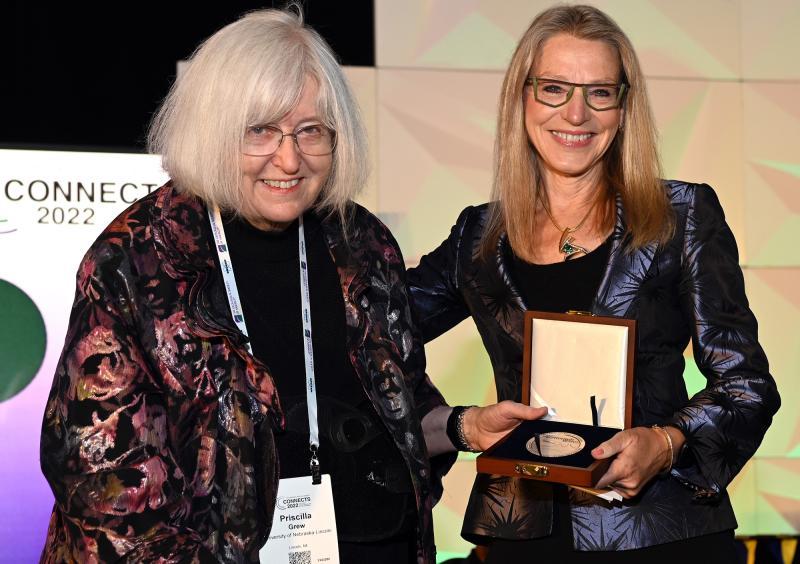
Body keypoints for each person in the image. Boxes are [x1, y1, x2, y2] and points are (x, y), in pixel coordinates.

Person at [38, 7, 545, 564]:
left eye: (311, 131)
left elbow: (394, 405)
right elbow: (98, 473)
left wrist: (464, 426)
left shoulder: (362, 244)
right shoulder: (135, 259)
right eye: (261, 130)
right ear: (212, 129)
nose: (289, 157)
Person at [407, 4, 780, 563]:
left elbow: (747, 385)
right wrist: (459, 425)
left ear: (624, 107)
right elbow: (373, 334)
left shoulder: (682, 215)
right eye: (554, 88)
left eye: (600, 92)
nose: (576, 113)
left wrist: (665, 442)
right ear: (522, 97)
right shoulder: (476, 236)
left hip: (663, 535)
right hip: (522, 540)